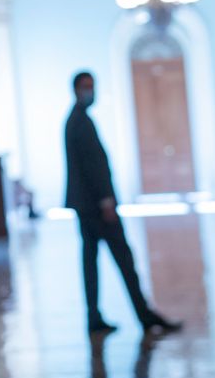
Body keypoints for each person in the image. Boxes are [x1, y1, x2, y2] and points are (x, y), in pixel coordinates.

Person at [64, 71, 181, 335]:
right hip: (95, 207)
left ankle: (95, 317)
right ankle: (145, 316)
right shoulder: (80, 122)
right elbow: (93, 167)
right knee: (123, 260)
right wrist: (106, 201)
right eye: (85, 87)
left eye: (92, 86)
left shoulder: (77, 120)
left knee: (91, 262)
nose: (89, 92)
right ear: (75, 89)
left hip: (86, 206)